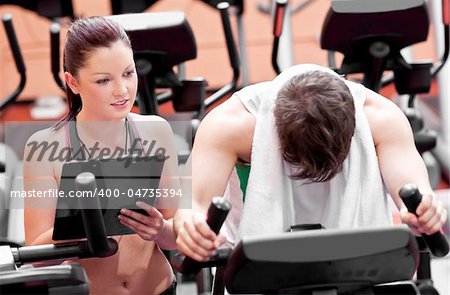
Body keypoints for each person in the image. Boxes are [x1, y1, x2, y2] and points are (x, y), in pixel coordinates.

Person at [174, 64, 448, 262]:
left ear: (355, 129)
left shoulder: (380, 118)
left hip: (357, 262)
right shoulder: (231, 125)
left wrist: (425, 211)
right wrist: (192, 229)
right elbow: (191, 207)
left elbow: (416, 193)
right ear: (275, 133)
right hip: (264, 262)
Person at [23, 16, 180, 294]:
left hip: (160, 288)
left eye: (128, 73)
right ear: (73, 82)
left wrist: (162, 231)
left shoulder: (157, 131)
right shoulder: (43, 148)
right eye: (104, 80)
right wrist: (86, 223)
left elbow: (178, 233)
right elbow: (37, 257)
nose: (121, 90)